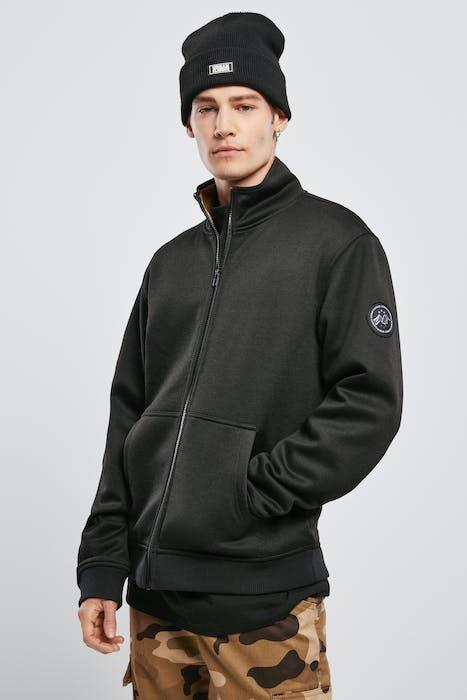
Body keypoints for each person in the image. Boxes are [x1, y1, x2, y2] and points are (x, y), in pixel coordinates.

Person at [76, 12, 403, 698]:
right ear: (188, 125)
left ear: (278, 117)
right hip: (155, 605)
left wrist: (250, 493)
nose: (223, 125)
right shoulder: (170, 265)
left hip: (264, 609)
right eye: (206, 108)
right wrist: (102, 565)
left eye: (244, 105)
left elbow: (368, 403)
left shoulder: (336, 244)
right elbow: (128, 418)